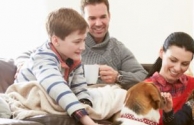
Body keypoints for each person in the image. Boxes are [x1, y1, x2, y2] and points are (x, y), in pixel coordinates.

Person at [15, 0, 147, 90]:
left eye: (103, 17)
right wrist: (23, 64)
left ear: (109, 16)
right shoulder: (69, 43)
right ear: (83, 18)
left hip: (106, 99)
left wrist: (118, 77)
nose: (99, 23)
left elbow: (145, 76)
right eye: (92, 18)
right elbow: (29, 55)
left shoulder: (117, 48)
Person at [15, 8, 109, 125]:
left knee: (110, 93)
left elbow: (80, 88)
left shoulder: (73, 58)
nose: (83, 47)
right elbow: (57, 87)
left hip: (60, 96)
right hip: (31, 99)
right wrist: (90, 124)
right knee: (62, 93)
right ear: (55, 41)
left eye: (84, 40)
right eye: (77, 42)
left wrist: (86, 105)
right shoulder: (43, 58)